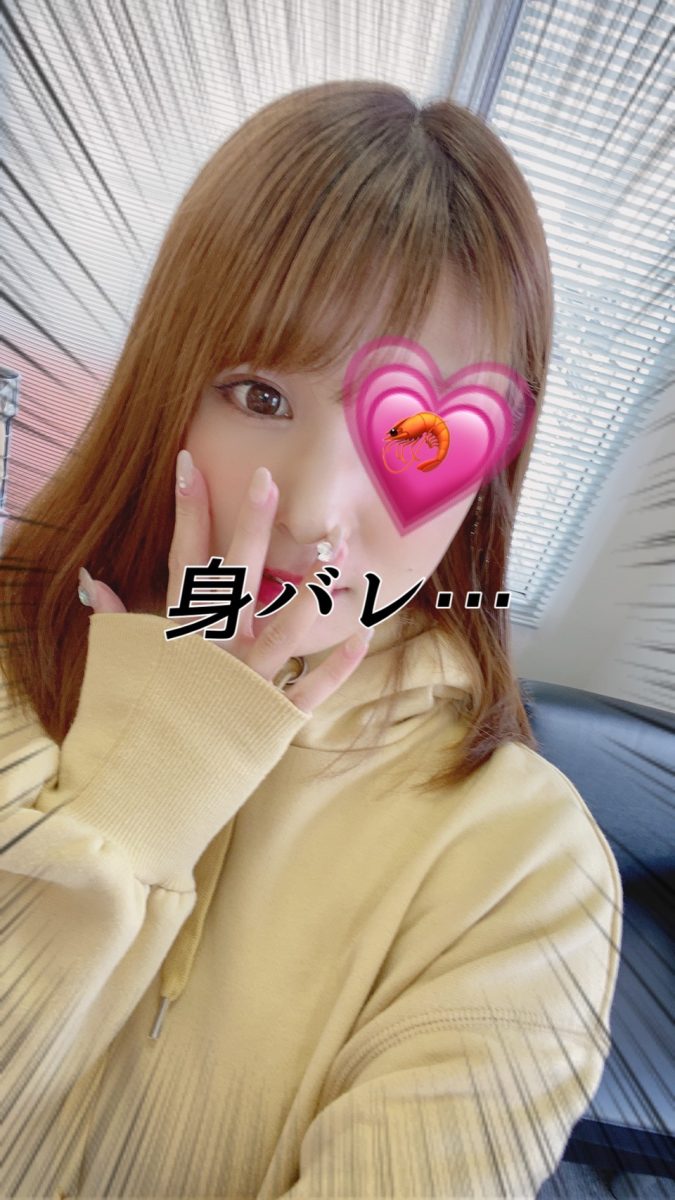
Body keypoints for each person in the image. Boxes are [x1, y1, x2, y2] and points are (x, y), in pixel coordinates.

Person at [0, 81, 622, 1199]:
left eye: (411, 434)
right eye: (259, 396)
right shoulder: (18, 653)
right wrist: (153, 776)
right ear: (168, 387)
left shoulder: (527, 869)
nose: (313, 511)